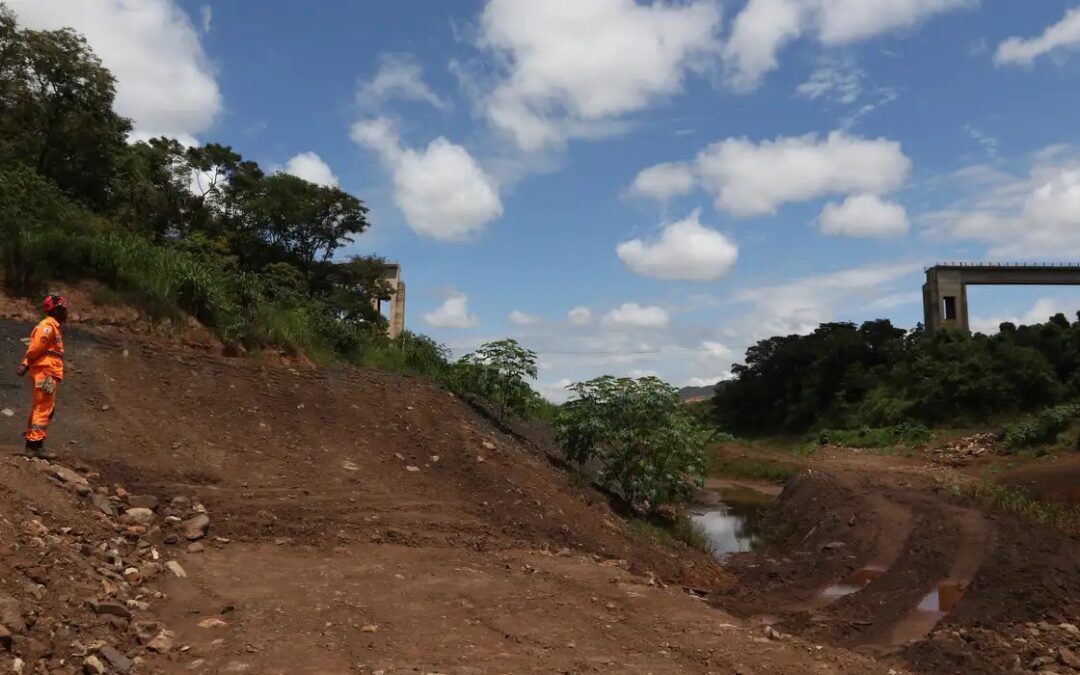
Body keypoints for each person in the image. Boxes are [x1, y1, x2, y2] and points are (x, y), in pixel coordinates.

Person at [16, 294, 67, 458]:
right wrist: (27, 362)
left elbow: (36, 349)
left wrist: (26, 363)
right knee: (44, 408)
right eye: (64, 309)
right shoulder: (48, 327)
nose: (67, 313)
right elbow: (36, 347)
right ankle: (34, 446)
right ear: (56, 310)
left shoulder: (53, 326)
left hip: (48, 371)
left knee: (42, 406)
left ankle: (33, 443)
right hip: (46, 371)